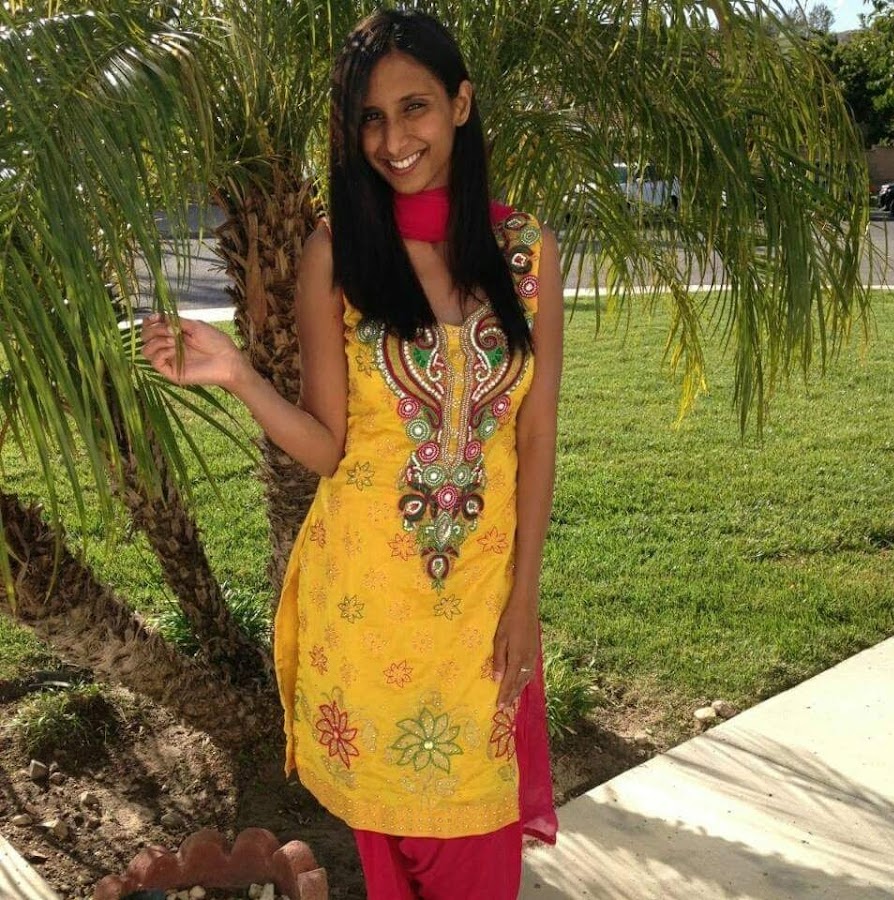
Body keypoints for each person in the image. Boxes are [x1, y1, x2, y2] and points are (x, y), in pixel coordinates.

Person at [142, 8, 563, 898]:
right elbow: (327, 447)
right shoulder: (337, 254)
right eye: (370, 118)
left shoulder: (526, 252)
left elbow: (535, 434)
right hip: (366, 611)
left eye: (414, 108)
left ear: (460, 104)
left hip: (479, 613)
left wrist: (524, 599)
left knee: (476, 852)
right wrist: (239, 374)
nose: (393, 139)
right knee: (394, 859)